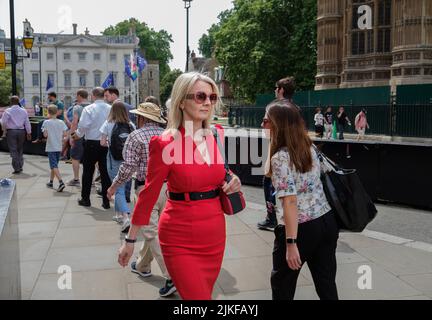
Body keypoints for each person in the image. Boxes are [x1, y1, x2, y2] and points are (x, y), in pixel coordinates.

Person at [117, 72, 242, 300]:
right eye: (200, 96)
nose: (207, 102)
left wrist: (233, 178)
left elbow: (218, 172)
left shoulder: (212, 135)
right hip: (180, 236)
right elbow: (148, 194)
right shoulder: (166, 142)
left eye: (212, 97)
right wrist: (130, 240)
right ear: (182, 101)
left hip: (214, 234)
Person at [263, 100, 339, 300]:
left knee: (282, 287)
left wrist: (291, 243)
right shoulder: (310, 147)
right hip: (326, 221)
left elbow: (289, 202)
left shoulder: (280, 158)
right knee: (327, 285)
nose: (263, 125)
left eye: (266, 121)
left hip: (301, 229)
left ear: (278, 125)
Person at [107, 102, 176, 297]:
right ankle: (143, 265)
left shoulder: (135, 136)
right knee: (152, 229)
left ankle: (172, 276)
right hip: (169, 188)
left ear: (141, 118)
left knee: (152, 232)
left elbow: (127, 168)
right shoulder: (168, 135)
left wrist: (113, 186)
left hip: (147, 188)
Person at [258, 76, 296, 231]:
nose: (275, 90)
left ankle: (271, 217)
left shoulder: (274, 108)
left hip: (277, 151)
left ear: (281, 90)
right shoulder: (295, 108)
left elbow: (268, 133)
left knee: (268, 184)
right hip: (292, 152)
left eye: (276, 88)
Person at [71, 87, 112, 209]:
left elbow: (83, 126)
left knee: (88, 172)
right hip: (106, 143)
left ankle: (86, 199)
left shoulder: (88, 109)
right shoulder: (110, 108)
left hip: (91, 143)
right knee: (105, 173)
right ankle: (106, 201)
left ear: (92, 96)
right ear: (103, 95)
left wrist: (77, 135)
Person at [100, 101, 136, 232]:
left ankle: (126, 217)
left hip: (113, 158)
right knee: (122, 185)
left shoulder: (108, 124)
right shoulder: (130, 124)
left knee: (118, 187)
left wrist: (110, 143)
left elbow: (102, 142)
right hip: (128, 159)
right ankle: (118, 215)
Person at [104, 86, 134, 202]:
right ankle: (126, 195)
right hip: (128, 152)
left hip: (115, 153)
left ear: (113, 94)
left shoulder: (110, 118)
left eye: (107, 95)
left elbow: (103, 140)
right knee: (128, 173)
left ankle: (120, 200)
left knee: (116, 176)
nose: (106, 98)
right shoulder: (130, 109)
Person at [0, 96, 32, 174]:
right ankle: (20, 165)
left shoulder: (8, 111)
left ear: (11, 102)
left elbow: (3, 122)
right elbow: (27, 122)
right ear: (18, 102)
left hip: (11, 132)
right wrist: (29, 132)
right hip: (21, 131)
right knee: (20, 149)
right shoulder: (24, 111)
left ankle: (17, 168)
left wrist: (4, 130)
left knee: (13, 149)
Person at [42, 105, 68, 192]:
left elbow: (45, 135)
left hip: (51, 146)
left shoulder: (46, 122)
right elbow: (65, 134)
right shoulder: (61, 122)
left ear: (48, 112)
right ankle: (51, 181)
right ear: (57, 112)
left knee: (53, 165)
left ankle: (61, 182)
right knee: (54, 165)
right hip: (59, 146)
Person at [67, 89, 90, 187]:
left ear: (79, 96)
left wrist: (71, 136)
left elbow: (74, 122)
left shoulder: (77, 107)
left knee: (75, 157)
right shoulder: (92, 106)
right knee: (90, 159)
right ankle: (91, 181)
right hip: (91, 136)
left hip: (79, 135)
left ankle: (76, 179)